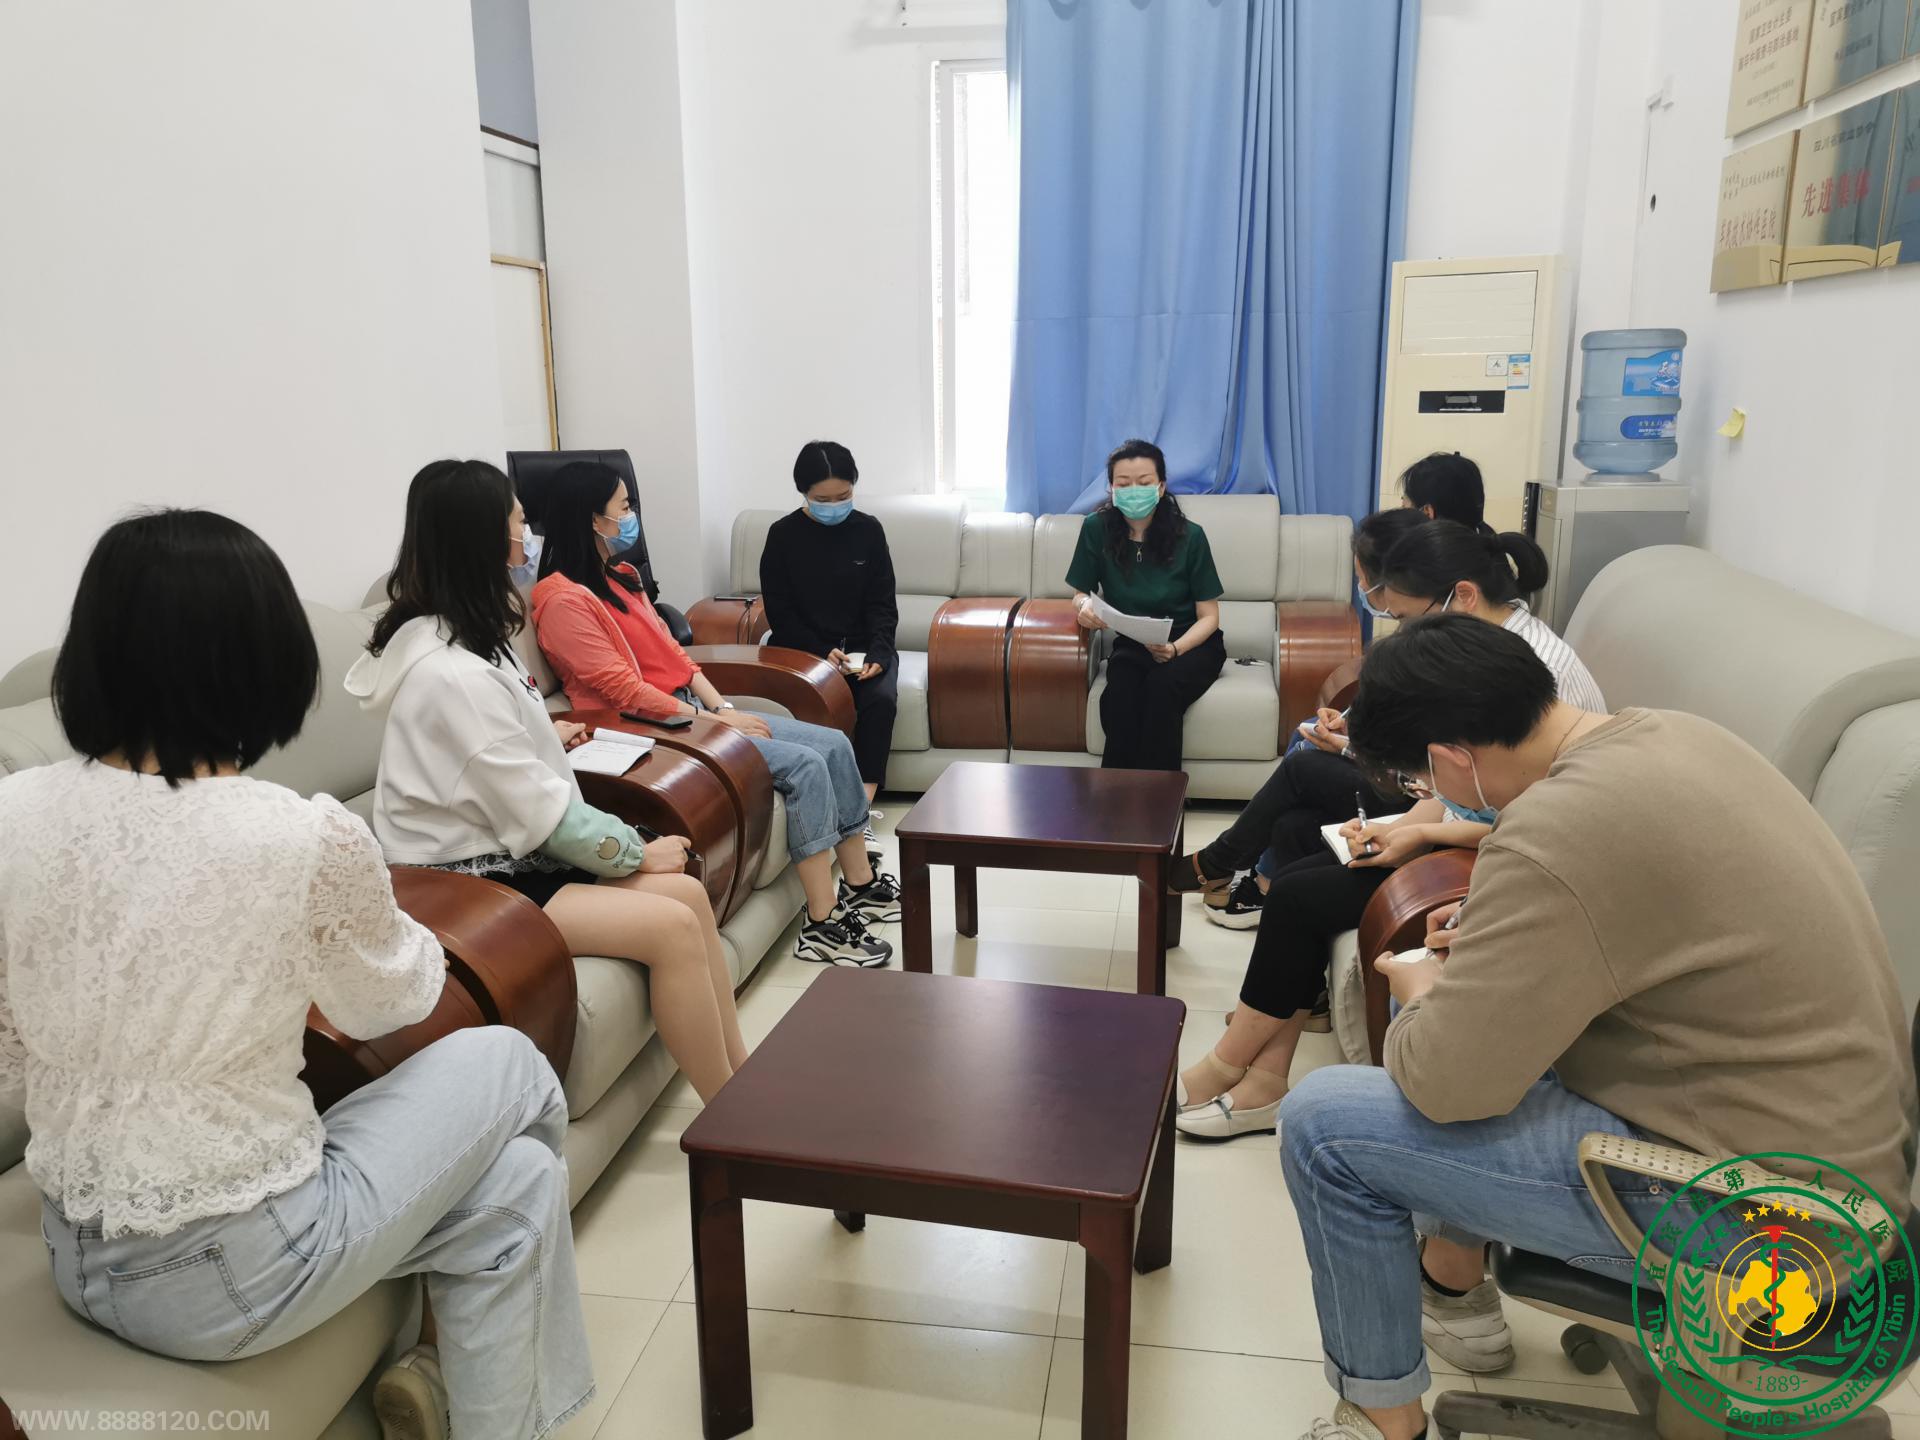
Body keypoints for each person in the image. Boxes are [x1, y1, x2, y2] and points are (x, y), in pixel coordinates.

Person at [1, 510, 593, 1439]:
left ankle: (442, 1374)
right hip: (238, 1269)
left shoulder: (11, 812)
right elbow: (392, 999)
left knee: (516, 1184)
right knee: (510, 1065)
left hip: (74, 1248)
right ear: (262, 661)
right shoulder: (294, 833)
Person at [1276, 615, 1917, 1440]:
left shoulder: (1555, 829)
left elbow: (1446, 1085)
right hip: (1845, 1167)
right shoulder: (1675, 736)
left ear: (1451, 758)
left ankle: (1383, 1419)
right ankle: (1453, 1285)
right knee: (1460, 999)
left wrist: (1424, 989)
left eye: (1417, 776)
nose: (1424, 792)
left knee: (1326, 1123)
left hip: (1761, 1218)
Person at [1175, 523, 1606, 1141]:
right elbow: (1460, 790)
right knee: (1299, 854)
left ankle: (1233, 1064)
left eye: (1405, 617)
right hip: (1476, 831)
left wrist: (1421, 827)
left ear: (1460, 596)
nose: (1402, 631)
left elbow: (1505, 809)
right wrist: (1406, 828)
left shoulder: (1528, 679)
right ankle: (1259, 1073)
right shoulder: (1490, 656)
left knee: (1299, 887)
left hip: (1485, 854)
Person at [350, 459, 749, 1105]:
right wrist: (636, 851)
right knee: (669, 924)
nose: (526, 536)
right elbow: (538, 812)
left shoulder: (464, 636)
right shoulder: (453, 674)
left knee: (686, 895)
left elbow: (498, 761)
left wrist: (541, 733)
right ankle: (731, 1116)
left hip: (500, 846)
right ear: (485, 538)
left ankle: (741, 1083)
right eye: (517, 521)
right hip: (458, 880)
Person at [529, 460, 897, 968]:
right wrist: (708, 721)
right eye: (624, 507)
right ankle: (821, 923)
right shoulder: (561, 601)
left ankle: (860, 883)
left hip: (691, 709)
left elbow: (676, 655)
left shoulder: (624, 576)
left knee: (833, 744)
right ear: (594, 519)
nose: (632, 517)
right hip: (647, 727)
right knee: (805, 765)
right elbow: (623, 689)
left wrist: (721, 707)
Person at [1170, 509, 1428, 930]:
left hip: (1417, 798)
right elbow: (1398, 718)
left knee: (1303, 764)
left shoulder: (1443, 643)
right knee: (1299, 777)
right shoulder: (1416, 625)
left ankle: (1220, 863)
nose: (1360, 589)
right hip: (1401, 774)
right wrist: (1347, 724)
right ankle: (1261, 880)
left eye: (1362, 578)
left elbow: (1426, 768)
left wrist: (1348, 746)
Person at [757, 441, 899, 816]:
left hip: (863, 649)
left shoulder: (869, 530)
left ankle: (861, 809)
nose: (835, 505)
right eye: (823, 499)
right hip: (802, 649)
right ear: (804, 492)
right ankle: (819, 800)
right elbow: (781, 613)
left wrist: (880, 652)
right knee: (814, 699)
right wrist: (821, 650)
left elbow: (883, 604)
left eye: (844, 496)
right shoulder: (782, 535)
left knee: (880, 701)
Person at [1067, 439, 1226, 772]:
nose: (1133, 491)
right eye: (1124, 484)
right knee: (1119, 696)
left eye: (1144, 482)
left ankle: (1160, 797)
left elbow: (1209, 616)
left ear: (1161, 487)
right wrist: (1084, 607)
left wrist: (1175, 649)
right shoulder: (1096, 529)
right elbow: (1080, 593)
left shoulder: (1191, 536)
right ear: (1111, 489)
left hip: (1192, 645)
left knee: (1162, 689)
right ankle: (1114, 794)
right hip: (1134, 643)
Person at [1397, 451, 1493, 534]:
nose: (1399, 513)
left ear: (1427, 513)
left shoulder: (1415, 549)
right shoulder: (1486, 546)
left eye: (1404, 506)